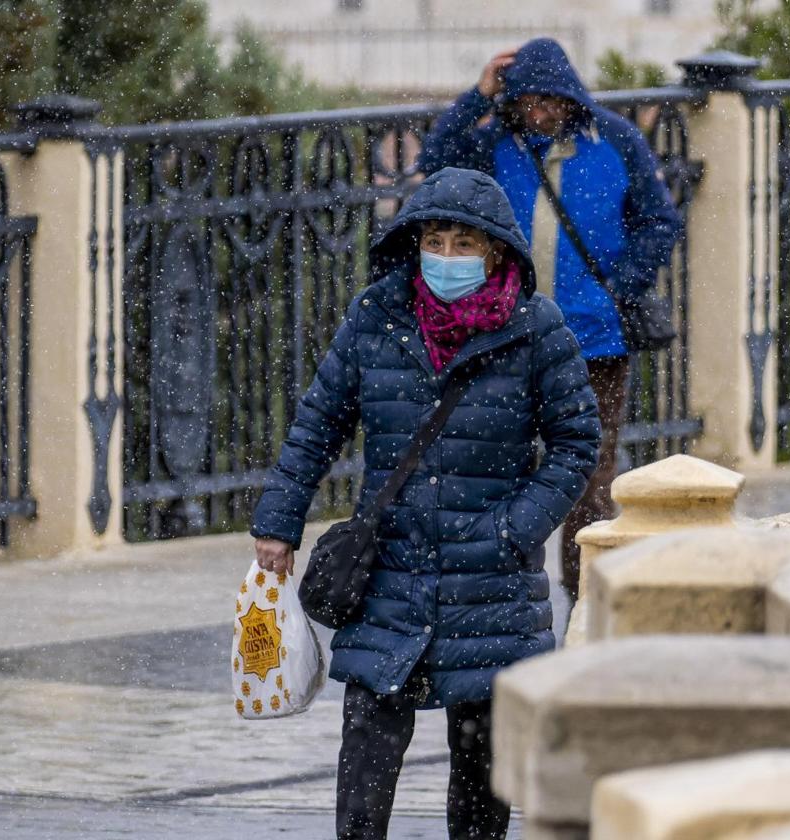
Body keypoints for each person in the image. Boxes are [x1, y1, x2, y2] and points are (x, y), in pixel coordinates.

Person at [250, 167, 601, 840]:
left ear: (496, 251)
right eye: (434, 240)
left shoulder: (537, 330)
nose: (446, 256)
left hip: (490, 581)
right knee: (368, 746)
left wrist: (515, 529)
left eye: (464, 243)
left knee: (481, 765)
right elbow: (320, 420)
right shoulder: (376, 317)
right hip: (391, 567)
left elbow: (574, 444)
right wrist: (279, 520)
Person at [418, 38, 683, 601]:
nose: (539, 112)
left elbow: (660, 222)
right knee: (502, 473)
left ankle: (584, 603)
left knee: (588, 479)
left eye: (549, 101)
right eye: (528, 101)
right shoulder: (494, 146)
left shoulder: (613, 140)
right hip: (505, 339)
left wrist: (618, 290)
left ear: (569, 99)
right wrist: (477, 96)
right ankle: (506, 601)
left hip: (596, 345)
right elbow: (434, 166)